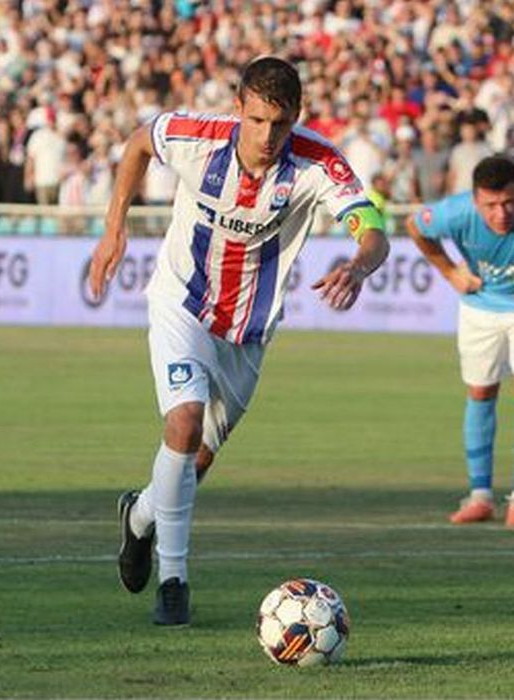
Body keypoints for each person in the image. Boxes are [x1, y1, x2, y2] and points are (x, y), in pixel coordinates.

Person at [89, 57, 389, 626]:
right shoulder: (194, 138)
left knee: (192, 462)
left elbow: (372, 230)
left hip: (248, 332)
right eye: (256, 121)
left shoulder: (318, 163)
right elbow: (136, 145)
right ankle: (174, 584)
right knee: (183, 422)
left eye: (279, 124)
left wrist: (359, 265)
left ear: (296, 117)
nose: (267, 136)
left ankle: (140, 516)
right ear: (238, 110)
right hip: (181, 303)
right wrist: (114, 225)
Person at [406, 154, 514, 527]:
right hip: (480, 308)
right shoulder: (454, 213)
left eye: (509, 203)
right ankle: (480, 496)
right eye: (491, 205)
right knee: (480, 393)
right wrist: (450, 272)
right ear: (475, 201)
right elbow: (415, 225)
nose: (501, 214)